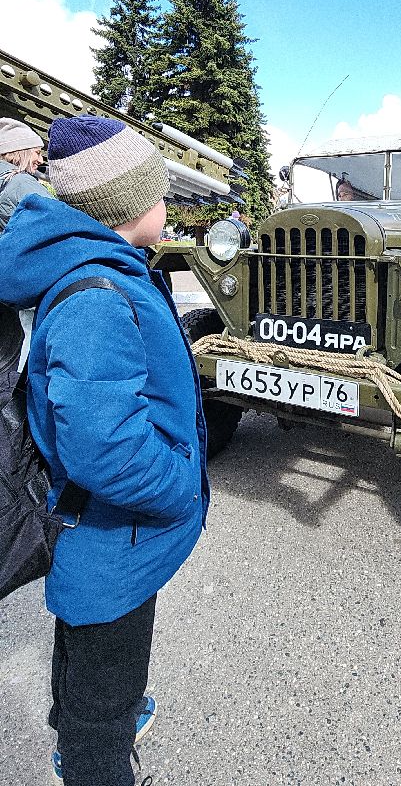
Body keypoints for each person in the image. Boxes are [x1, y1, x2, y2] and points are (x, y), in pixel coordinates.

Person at [0, 116, 209, 786]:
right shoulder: (99, 298)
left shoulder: (111, 268)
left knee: (98, 658)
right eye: (159, 192)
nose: (168, 205)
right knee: (101, 702)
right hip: (110, 540)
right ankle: (95, 752)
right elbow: (104, 450)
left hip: (115, 541)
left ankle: (96, 713)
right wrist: (180, 488)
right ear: (128, 204)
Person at [0, 117, 49, 372]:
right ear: (16, 152)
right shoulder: (20, 184)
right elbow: (56, 223)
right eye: (36, 152)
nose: (40, 160)